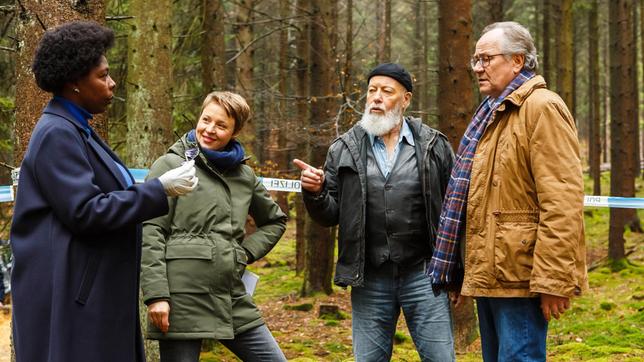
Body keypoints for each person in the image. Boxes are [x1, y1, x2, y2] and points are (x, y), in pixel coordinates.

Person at [10, 21, 198, 362]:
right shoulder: (58, 133)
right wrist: (159, 189)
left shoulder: (76, 128)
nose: (112, 84)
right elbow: (86, 211)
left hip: (88, 293)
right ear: (74, 83)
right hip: (73, 299)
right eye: (103, 76)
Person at [427, 21, 587, 361]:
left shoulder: (542, 107)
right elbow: (474, 201)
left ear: (517, 60)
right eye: (475, 60)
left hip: (523, 277)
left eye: (487, 59)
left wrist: (553, 282)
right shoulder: (491, 113)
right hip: (492, 273)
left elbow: (562, 200)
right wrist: (462, 268)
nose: (478, 69)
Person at [294, 63, 455, 361]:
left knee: (440, 358)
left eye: (386, 91)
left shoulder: (434, 145)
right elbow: (329, 215)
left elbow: (454, 210)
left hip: (424, 274)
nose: (376, 98)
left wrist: (455, 272)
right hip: (370, 276)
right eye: (372, 91)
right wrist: (314, 192)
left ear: (405, 99)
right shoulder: (343, 148)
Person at [141, 91, 288, 362]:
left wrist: (244, 254)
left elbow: (275, 221)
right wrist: (156, 296)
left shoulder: (245, 176)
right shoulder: (170, 164)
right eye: (206, 119)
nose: (209, 129)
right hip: (180, 298)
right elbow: (151, 231)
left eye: (221, 125)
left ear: (235, 131)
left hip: (230, 295)